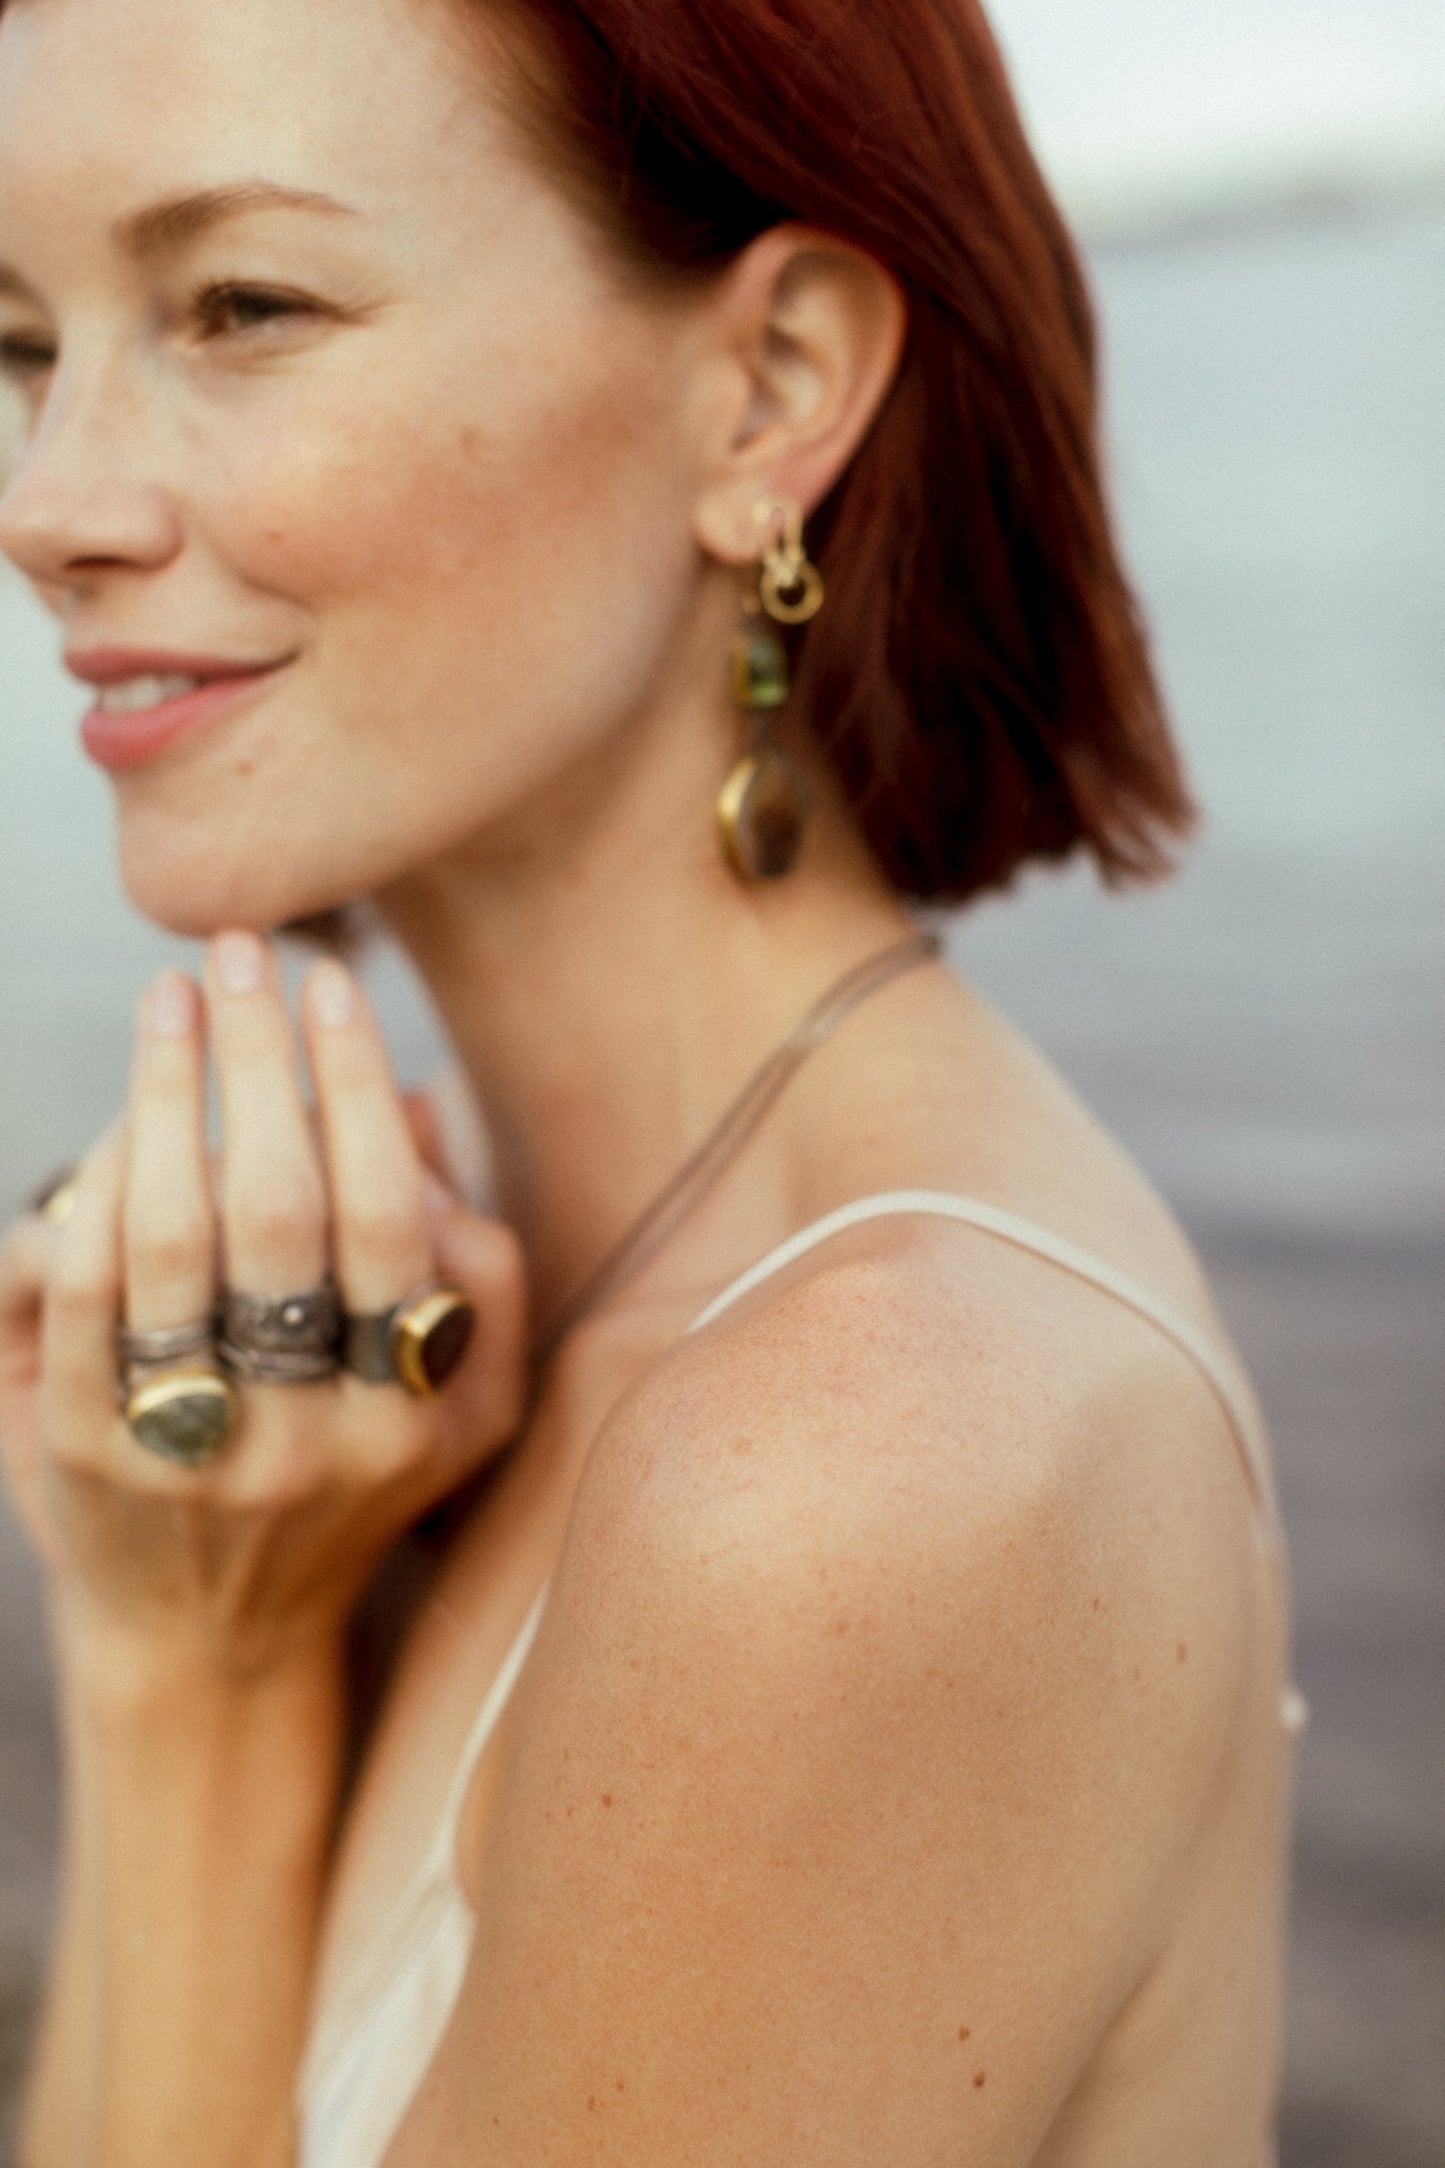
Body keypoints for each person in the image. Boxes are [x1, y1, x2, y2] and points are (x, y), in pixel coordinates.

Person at [0, 0, 1301, 2160]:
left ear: (769, 385)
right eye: (23, 343)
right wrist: (181, 1622)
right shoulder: (497, 1366)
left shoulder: (858, 1465)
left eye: (242, 303)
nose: (47, 506)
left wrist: (201, 1699)